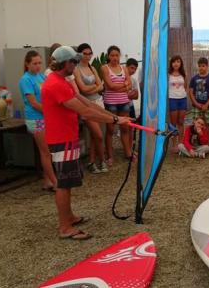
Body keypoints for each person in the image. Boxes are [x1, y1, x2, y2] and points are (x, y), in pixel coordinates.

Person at [41, 46, 131, 240]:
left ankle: (69, 217)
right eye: (73, 62)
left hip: (67, 138)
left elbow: (88, 103)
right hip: (61, 140)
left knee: (69, 181)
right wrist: (115, 120)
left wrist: (114, 117)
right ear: (65, 63)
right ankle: (65, 227)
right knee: (63, 184)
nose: (76, 65)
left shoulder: (62, 82)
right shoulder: (55, 84)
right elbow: (85, 112)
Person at [19, 51, 57, 191]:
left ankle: (47, 180)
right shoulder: (25, 80)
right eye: (34, 63)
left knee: (49, 150)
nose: (37, 66)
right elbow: (33, 103)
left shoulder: (41, 76)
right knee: (45, 151)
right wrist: (51, 111)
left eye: (39, 63)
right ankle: (54, 180)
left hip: (45, 116)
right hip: (36, 118)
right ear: (27, 64)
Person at [73, 43, 107, 173]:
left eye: (89, 53)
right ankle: (102, 159)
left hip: (98, 102)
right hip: (86, 104)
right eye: (84, 53)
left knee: (96, 135)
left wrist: (95, 88)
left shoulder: (92, 68)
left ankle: (92, 161)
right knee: (97, 134)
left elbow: (101, 86)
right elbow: (83, 89)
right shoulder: (76, 69)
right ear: (79, 54)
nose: (87, 56)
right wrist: (96, 87)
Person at [100, 45, 133, 164]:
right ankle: (110, 155)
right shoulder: (105, 68)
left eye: (116, 55)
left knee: (125, 127)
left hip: (124, 101)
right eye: (112, 55)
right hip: (111, 103)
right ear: (108, 56)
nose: (114, 57)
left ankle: (128, 153)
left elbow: (129, 85)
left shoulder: (123, 68)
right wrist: (123, 86)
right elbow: (110, 86)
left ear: (120, 56)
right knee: (110, 129)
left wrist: (122, 87)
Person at [188, 57, 209, 145]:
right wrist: (196, 103)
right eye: (199, 66)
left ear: (207, 66)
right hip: (196, 106)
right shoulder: (194, 78)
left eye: (203, 66)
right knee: (196, 123)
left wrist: (207, 105)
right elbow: (191, 92)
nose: (201, 68)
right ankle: (198, 140)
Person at [168, 55, 187, 153]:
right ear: (171, 63)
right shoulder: (168, 75)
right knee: (173, 123)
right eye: (174, 61)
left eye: (178, 61)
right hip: (172, 100)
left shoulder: (183, 74)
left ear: (181, 63)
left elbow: (185, 87)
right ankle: (174, 145)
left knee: (181, 122)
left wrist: (183, 94)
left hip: (182, 99)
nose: (176, 63)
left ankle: (180, 143)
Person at [126, 58, 141, 155]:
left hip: (130, 106)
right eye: (131, 68)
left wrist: (125, 94)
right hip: (121, 106)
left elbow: (136, 96)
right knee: (124, 129)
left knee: (131, 128)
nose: (133, 71)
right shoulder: (121, 78)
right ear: (126, 66)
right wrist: (129, 94)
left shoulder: (134, 80)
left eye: (135, 69)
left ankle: (130, 149)